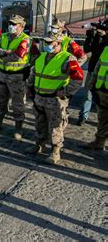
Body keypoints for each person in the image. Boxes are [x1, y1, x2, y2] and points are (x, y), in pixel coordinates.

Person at [25, 34, 84, 164]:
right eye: (45, 43)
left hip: (55, 100)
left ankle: (55, 152)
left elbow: (78, 78)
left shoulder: (67, 59)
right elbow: (34, 73)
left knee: (55, 126)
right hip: (39, 98)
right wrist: (29, 87)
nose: (47, 45)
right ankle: (39, 145)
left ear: (58, 44)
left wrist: (65, 92)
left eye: (50, 43)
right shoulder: (42, 57)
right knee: (40, 123)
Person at [0, 14, 31, 139]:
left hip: (17, 76)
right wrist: (7, 52)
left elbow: (17, 56)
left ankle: (18, 128)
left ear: (22, 26)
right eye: (10, 24)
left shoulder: (26, 39)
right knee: (0, 100)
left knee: (17, 103)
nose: (11, 26)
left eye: (14, 24)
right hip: (2, 74)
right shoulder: (3, 36)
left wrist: (2, 53)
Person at [77, 26, 108, 126]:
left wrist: (104, 37)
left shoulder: (105, 41)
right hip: (92, 71)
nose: (98, 31)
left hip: (105, 75)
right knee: (88, 95)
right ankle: (83, 117)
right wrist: (89, 37)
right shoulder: (96, 38)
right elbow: (87, 49)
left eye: (101, 29)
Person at [82, 46, 107, 150]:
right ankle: (99, 142)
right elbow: (98, 66)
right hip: (102, 90)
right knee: (102, 118)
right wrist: (92, 82)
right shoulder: (106, 49)